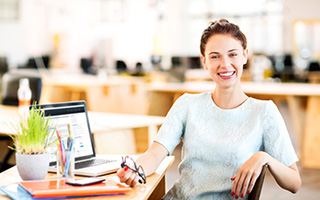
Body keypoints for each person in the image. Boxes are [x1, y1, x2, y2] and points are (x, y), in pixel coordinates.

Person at [117, 19, 301, 200]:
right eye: (215, 56)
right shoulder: (187, 104)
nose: (225, 64)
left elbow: (294, 183)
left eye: (232, 54)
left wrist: (264, 158)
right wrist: (135, 169)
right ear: (204, 62)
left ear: (245, 55)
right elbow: (154, 155)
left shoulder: (264, 111)